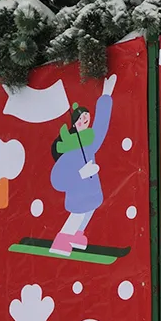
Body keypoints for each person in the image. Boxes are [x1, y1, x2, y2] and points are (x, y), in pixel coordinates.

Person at [49, 74, 117, 255]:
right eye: (80, 118)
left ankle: (77, 236)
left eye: (87, 116)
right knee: (78, 215)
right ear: (74, 124)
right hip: (77, 195)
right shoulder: (68, 149)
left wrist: (105, 96)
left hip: (91, 191)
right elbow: (57, 180)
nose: (84, 119)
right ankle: (62, 240)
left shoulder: (89, 142)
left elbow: (101, 127)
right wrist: (81, 174)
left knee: (89, 211)